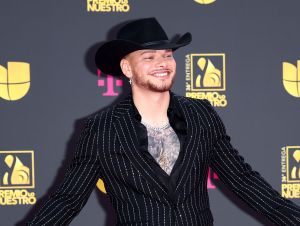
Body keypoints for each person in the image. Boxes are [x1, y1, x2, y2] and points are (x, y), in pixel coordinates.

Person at [27, 17, 300, 226]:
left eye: (168, 55)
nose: (163, 63)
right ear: (127, 68)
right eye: (149, 57)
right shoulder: (101, 129)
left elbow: (243, 180)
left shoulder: (201, 114)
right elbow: (67, 200)